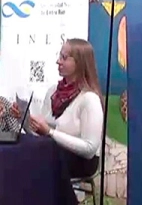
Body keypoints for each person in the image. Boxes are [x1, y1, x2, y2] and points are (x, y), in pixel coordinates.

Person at [24, 39, 104, 179]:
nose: (58, 61)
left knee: (34, 163)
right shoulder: (53, 92)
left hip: (81, 161)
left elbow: (90, 149)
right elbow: (42, 135)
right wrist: (25, 120)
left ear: (79, 63)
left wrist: (51, 132)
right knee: (23, 154)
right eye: (59, 56)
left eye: (64, 58)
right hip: (54, 152)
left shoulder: (89, 99)